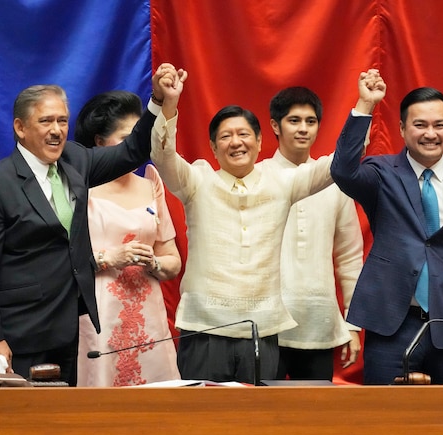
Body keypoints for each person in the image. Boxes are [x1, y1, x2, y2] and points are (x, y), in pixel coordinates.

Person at [0, 63, 181, 385]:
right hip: (20, 329)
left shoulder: (76, 161)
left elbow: (133, 150)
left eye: (62, 121)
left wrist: (158, 102)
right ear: (21, 128)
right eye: (46, 121)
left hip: (69, 328)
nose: (56, 130)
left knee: (61, 422)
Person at [151, 72, 375, 384]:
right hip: (204, 327)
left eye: (243, 134)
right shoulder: (197, 182)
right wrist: (169, 104)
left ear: (259, 142)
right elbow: (162, 156)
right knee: (203, 423)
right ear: (213, 148)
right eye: (225, 136)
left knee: (258, 424)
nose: (236, 142)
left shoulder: (283, 183)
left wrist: (364, 104)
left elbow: (340, 164)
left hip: (264, 329)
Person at [330, 70, 443, 385]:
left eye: (439, 125)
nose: (430, 134)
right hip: (391, 325)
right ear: (402, 128)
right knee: (386, 422)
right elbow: (342, 170)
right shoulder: (381, 172)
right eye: (420, 125)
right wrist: (365, 106)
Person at [73, 90, 182, 387]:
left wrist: (154, 263)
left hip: (148, 313)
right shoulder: (79, 186)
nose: (135, 148)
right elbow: (59, 260)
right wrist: (109, 257)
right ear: (99, 143)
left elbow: (173, 261)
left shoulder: (150, 183)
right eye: (126, 139)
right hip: (99, 310)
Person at [264, 86, 363, 380]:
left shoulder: (335, 182)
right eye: (294, 120)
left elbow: (349, 257)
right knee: (260, 419)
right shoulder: (256, 177)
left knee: (315, 420)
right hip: (266, 324)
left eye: (311, 121)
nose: (303, 129)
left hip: (319, 323)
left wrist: (352, 325)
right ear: (275, 125)